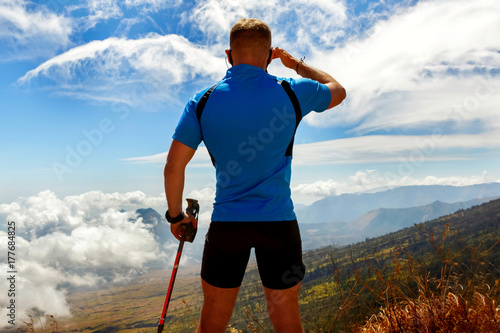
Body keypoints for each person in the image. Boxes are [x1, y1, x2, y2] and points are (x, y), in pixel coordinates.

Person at [164, 18, 346, 333]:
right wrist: (296, 64)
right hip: (279, 224)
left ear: (228, 54)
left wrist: (176, 216)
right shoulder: (292, 91)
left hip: (227, 226)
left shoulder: (202, 101)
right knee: (286, 316)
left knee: (213, 321)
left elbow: (173, 167)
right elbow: (338, 91)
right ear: (269, 56)